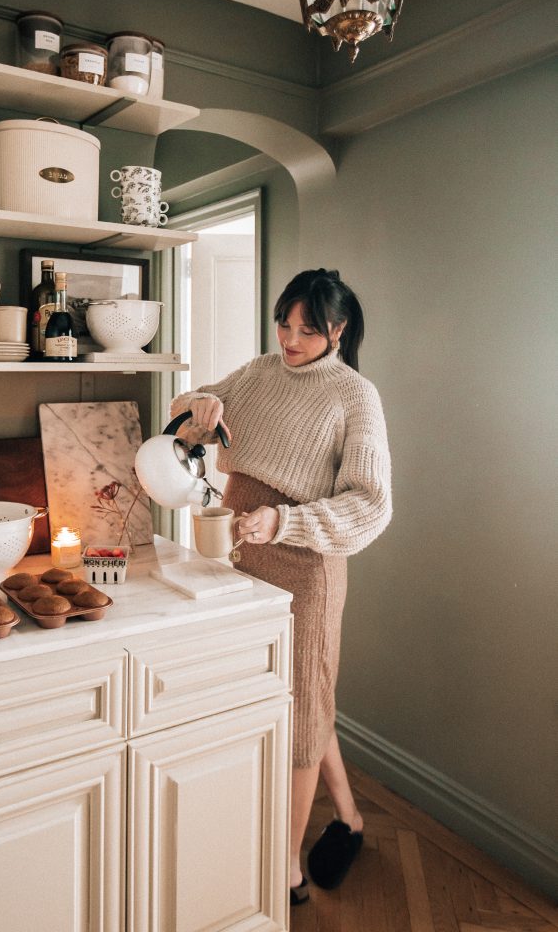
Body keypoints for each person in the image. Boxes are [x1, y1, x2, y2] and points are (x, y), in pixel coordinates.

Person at [170, 268, 392, 906]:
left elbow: (371, 504)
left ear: (338, 331)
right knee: (296, 697)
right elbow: (188, 410)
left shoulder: (355, 396)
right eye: (284, 324)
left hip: (304, 566)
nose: (290, 339)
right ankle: (348, 817)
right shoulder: (262, 370)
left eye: (307, 329)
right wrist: (199, 407)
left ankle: (288, 866)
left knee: (301, 711)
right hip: (235, 552)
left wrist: (286, 521)